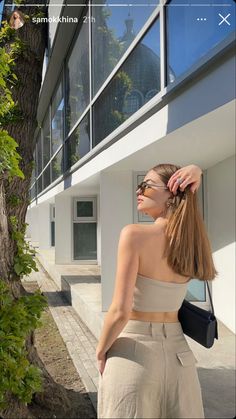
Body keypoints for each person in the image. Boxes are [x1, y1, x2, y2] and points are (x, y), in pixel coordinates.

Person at [96, 163, 217, 419]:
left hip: (134, 353)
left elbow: (120, 311)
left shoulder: (134, 235)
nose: (138, 190)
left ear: (171, 194)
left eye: (147, 186)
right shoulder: (191, 244)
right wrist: (196, 170)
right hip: (180, 359)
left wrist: (100, 350)